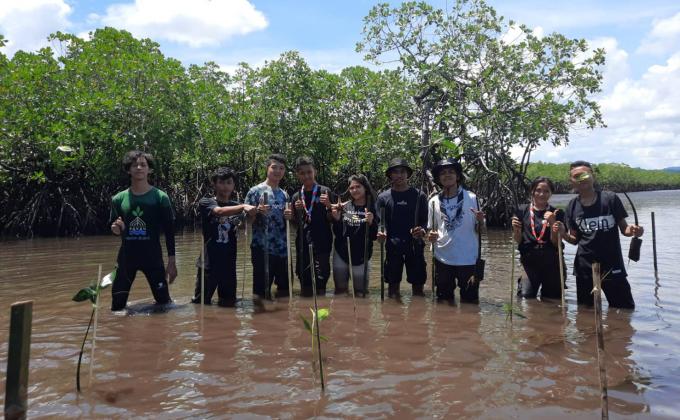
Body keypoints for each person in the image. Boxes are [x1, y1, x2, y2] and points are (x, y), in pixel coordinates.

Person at [558, 161, 644, 309]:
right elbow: (574, 240)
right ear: (571, 181)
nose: (581, 179)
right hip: (585, 266)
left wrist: (634, 230)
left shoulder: (610, 199)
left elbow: (625, 229)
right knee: (585, 312)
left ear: (593, 176)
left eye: (585, 174)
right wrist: (562, 233)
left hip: (612, 264)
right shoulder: (572, 206)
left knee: (624, 309)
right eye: (576, 176)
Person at [109, 150, 177, 311]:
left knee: (164, 305)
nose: (139, 168)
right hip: (126, 258)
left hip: (152, 257)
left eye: (143, 165)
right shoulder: (118, 199)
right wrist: (116, 229)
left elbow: (169, 231)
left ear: (149, 169)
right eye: (134, 165)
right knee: (117, 307)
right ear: (128, 170)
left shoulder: (160, 197)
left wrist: (172, 262)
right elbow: (115, 228)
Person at [191, 167, 256, 307]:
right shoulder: (206, 202)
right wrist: (244, 206)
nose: (225, 186)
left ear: (233, 185)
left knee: (229, 303)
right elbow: (219, 211)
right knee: (200, 303)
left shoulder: (236, 206)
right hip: (209, 262)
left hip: (229, 261)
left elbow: (243, 226)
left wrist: (253, 214)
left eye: (229, 183)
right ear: (214, 184)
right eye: (221, 182)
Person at [426, 158, 485, 304]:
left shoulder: (472, 198)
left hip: (468, 258)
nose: (447, 175)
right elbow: (432, 230)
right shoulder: (433, 201)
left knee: (470, 303)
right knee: (443, 302)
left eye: (451, 172)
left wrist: (481, 221)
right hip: (442, 257)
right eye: (443, 173)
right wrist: (430, 236)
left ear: (458, 176)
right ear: (438, 178)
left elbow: (480, 231)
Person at [376, 158, 428, 298]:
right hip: (393, 246)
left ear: (407, 174)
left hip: (415, 245)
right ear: (390, 175)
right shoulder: (383, 197)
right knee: (393, 291)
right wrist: (381, 232)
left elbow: (425, 221)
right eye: (395, 172)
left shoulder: (420, 196)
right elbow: (380, 222)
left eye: (402, 172)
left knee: (418, 290)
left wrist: (422, 230)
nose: (399, 175)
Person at [245, 154, 293, 301]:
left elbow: (288, 223)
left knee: (285, 291)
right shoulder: (255, 191)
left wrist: (289, 216)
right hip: (262, 249)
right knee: (261, 292)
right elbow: (245, 222)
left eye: (281, 168)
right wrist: (256, 211)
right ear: (267, 168)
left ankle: (284, 315)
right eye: (274, 167)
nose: (278, 171)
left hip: (283, 250)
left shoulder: (285, 195)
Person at [512, 176, 566, 300]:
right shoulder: (521, 210)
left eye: (546, 191)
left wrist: (552, 222)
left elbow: (556, 243)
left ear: (551, 193)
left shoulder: (557, 213)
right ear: (532, 191)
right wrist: (516, 229)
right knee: (525, 297)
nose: (542, 194)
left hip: (552, 262)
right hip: (529, 262)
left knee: (552, 301)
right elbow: (519, 240)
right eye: (538, 190)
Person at [290, 157, 335, 297]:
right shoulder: (296, 196)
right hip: (303, 244)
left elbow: (334, 219)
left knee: (321, 282)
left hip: (322, 243)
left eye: (309, 172)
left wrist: (329, 205)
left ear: (315, 171)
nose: (306, 176)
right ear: (297, 175)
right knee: (305, 283)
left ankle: (321, 307)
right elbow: (294, 224)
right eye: (302, 173)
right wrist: (295, 213)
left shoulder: (325, 191)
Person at [331, 174, 379, 295]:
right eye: (352, 188)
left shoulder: (373, 207)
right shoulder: (345, 206)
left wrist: (371, 223)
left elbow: (374, 236)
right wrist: (337, 220)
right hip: (341, 253)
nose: (354, 190)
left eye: (358, 186)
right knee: (340, 291)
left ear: (365, 188)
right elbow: (338, 233)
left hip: (361, 256)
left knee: (360, 293)